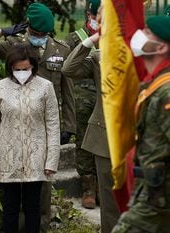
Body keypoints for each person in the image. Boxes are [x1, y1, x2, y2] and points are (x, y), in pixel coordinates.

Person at [0, 3, 74, 232]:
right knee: (13, 200)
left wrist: (69, 125)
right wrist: (0, 32)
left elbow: (67, 90)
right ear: (28, 27)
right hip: (14, 132)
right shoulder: (14, 46)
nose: (38, 38)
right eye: (35, 33)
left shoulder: (61, 50)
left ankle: (39, 229)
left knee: (40, 196)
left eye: (43, 34)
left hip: (43, 129)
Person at [0, 44, 60, 233]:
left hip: (36, 158)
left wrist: (52, 160)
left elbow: (53, 124)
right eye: (17, 69)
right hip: (7, 157)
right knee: (10, 208)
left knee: (33, 207)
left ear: (33, 66)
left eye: (26, 69)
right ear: (10, 68)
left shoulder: (45, 87)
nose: (22, 72)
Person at [111, 15, 170, 233]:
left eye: (146, 33)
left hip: (157, 200)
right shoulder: (153, 83)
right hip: (150, 192)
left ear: (160, 47)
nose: (138, 35)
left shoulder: (166, 92)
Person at [62, 31, 120, 233]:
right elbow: (69, 69)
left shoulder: (145, 55)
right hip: (104, 138)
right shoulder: (99, 56)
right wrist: (91, 41)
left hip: (137, 137)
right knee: (109, 201)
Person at [64, 0, 100, 209]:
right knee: (84, 140)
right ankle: (88, 186)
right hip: (82, 98)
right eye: (96, 16)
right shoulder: (75, 38)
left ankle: (103, 185)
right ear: (88, 14)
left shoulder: (112, 37)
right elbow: (66, 70)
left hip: (105, 97)